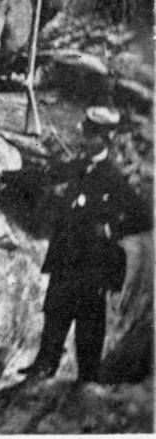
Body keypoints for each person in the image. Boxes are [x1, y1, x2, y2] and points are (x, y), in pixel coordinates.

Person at [18, 106, 152, 383]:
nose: (86, 140)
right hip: (67, 256)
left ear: (106, 140)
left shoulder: (114, 178)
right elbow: (48, 175)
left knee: (89, 323)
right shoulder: (78, 166)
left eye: (93, 136)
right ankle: (46, 364)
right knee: (55, 311)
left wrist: (112, 228)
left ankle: (87, 377)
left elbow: (143, 218)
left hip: (94, 263)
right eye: (87, 134)